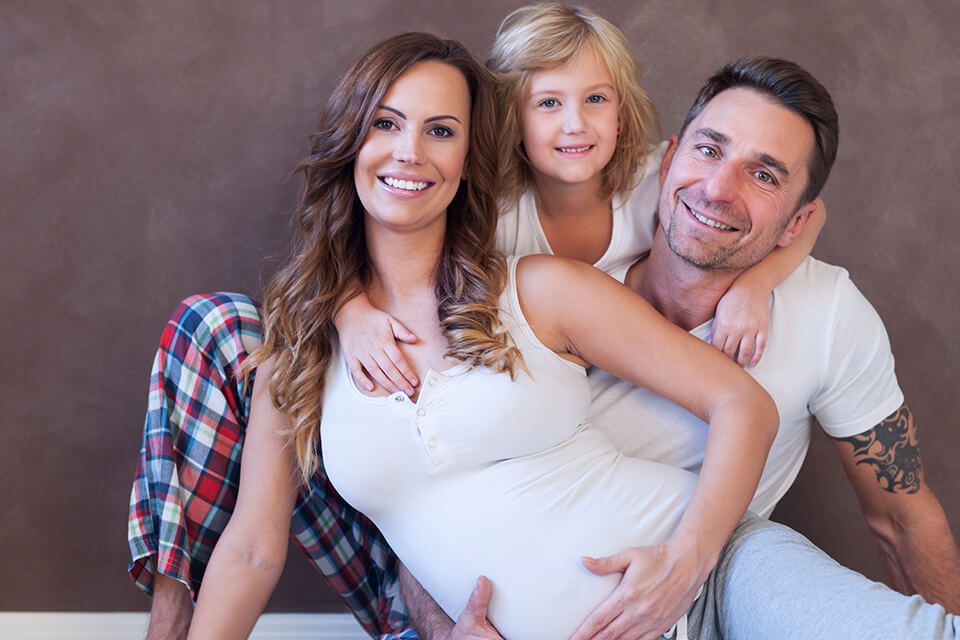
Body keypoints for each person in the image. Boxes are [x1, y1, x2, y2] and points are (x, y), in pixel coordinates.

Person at [129, 31, 781, 639]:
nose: (410, 151)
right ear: (352, 139)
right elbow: (251, 549)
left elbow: (743, 403)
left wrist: (685, 565)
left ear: (468, 161)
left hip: (718, 588)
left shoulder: (542, 288)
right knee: (213, 323)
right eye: (385, 123)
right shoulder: (304, 345)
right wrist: (345, 305)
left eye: (440, 131)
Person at [402, 54, 960, 640]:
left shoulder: (828, 314)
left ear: (798, 224)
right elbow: (427, 489)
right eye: (709, 150)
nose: (718, 189)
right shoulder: (561, 295)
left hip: (709, 602)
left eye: (764, 175)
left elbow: (901, 518)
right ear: (666, 160)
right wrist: (442, 631)